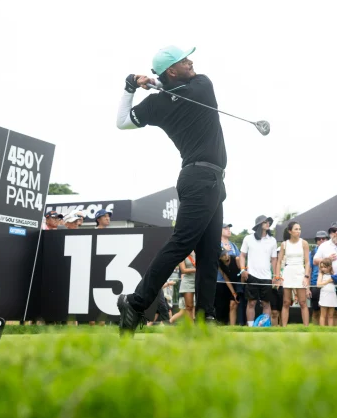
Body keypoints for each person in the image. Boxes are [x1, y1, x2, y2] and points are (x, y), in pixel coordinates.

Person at [116, 45, 228, 333]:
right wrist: (156, 85)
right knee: (181, 244)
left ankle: (206, 317)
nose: (190, 62)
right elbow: (182, 87)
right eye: (183, 60)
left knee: (209, 252)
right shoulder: (203, 85)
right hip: (201, 179)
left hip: (208, 180)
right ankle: (137, 302)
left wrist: (131, 87)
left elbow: (123, 121)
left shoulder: (157, 104)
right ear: (172, 70)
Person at [240, 215, 278, 326]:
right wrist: (243, 269)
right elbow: (242, 255)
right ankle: (251, 327)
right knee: (251, 303)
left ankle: (264, 326)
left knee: (266, 303)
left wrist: (275, 275)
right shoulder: (248, 238)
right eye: (265, 222)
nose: (268, 224)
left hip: (266, 277)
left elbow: (274, 259)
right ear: (258, 225)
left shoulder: (272, 240)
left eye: (268, 222)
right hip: (251, 275)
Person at [273, 222, 311, 327]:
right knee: (286, 302)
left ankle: (306, 328)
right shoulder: (284, 244)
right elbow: (279, 261)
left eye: (299, 229)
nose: (298, 231)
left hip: (300, 271)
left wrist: (306, 276)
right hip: (288, 272)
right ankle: (284, 328)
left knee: (303, 302)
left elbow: (307, 261)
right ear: (290, 231)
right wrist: (277, 277)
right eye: (296, 229)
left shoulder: (304, 243)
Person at [309, 231, 329, 324]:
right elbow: (309, 269)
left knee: (329, 310)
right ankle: (315, 331)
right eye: (318, 239)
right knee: (315, 310)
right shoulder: (312, 253)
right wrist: (307, 287)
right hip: (314, 283)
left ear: (327, 239)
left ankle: (330, 332)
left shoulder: (331, 251)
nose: (321, 240)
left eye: (323, 238)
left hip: (329, 282)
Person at [217, 249, 241, 325]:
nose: (226, 256)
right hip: (232, 285)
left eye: (226, 253)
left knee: (239, 304)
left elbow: (243, 273)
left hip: (241, 283)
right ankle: (232, 327)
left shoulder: (236, 259)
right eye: (223, 255)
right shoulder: (219, 264)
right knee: (232, 305)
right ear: (220, 258)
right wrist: (233, 293)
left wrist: (240, 288)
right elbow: (226, 279)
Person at [317, 259, 337, 326]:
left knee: (331, 315)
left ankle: (330, 330)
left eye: (325, 267)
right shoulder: (321, 274)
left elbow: (336, 285)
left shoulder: (333, 274)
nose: (323, 269)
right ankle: (322, 330)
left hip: (332, 296)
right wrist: (328, 281)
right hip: (324, 296)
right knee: (323, 315)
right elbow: (318, 285)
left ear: (329, 266)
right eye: (322, 267)